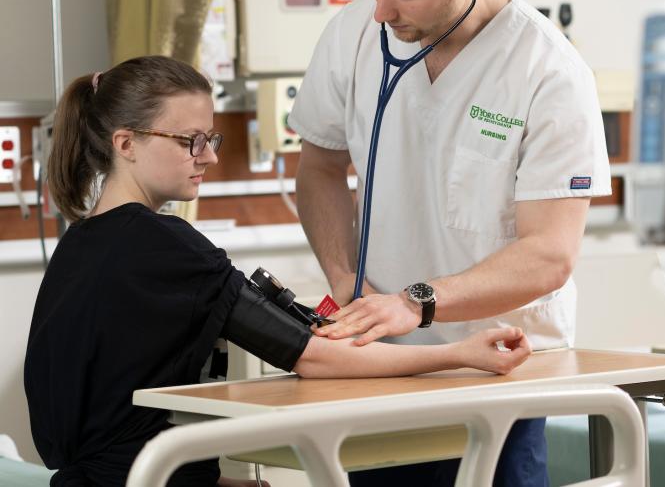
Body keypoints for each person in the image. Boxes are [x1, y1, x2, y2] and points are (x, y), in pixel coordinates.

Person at [24, 55, 531, 487]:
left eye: (211, 138)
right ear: (126, 143)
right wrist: (459, 354)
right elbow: (313, 356)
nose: (209, 158)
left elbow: (100, 424)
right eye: (189, 141)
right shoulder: (164, 245)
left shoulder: (78, 246)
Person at [289, 0, 612, 487]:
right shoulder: (355, 33)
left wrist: (417, 303)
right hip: (379, 368)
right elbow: (321, 165)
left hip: (497, 371)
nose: (381, 10)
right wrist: (341, 278)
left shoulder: (547, 71)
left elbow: (549, 254)